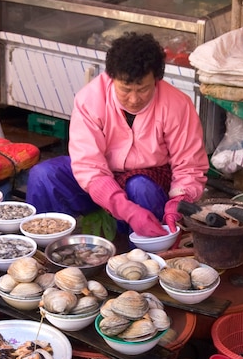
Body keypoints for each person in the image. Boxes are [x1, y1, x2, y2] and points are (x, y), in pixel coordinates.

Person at [26, 32, 209, 239]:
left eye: (143, 89)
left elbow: (190, 166)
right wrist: (126, 210)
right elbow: (89, 166)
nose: (133, 99)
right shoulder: (90, 99)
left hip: (150, 178)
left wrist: (179, 202)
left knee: (140, 187)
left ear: (156, 80)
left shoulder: (177, 104)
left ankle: (148, 260)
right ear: (111, 79)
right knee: (44, 176)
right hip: (100, 175)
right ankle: (48, 253)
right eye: (125, 89)